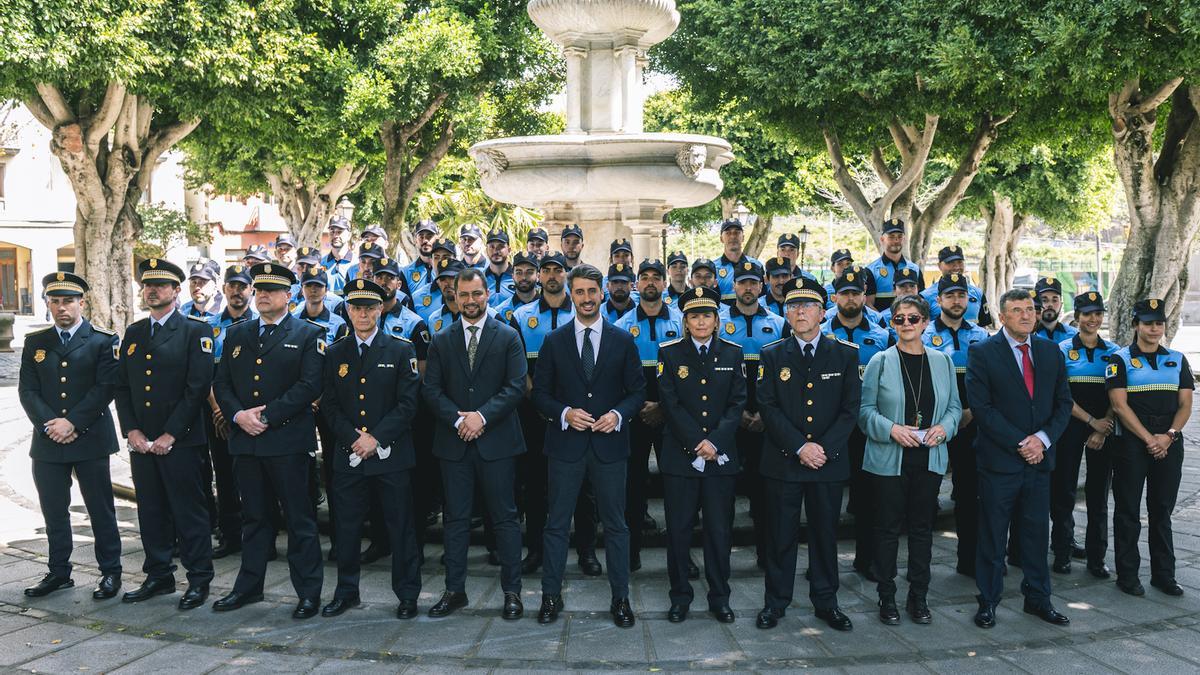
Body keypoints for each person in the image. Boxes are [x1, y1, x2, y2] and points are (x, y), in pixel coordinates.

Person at [532, 263, 646, 627]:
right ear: (571, 293)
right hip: (565, 447)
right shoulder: (553, 341)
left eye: (591, 292)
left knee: (616, 526)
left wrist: (618, 414)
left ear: (602, 293)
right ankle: (550, 596)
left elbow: (637, 391)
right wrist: (564, 413)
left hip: (610, 447)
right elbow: (541, 395)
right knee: (556, 525)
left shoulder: (624, 340)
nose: (585, 298)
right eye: (578, 292)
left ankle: (621, 599)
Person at [212, 262, 326, 619]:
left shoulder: (308, 334)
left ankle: (308, 593)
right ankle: (248, 587)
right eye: (259, 289)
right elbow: (222, 383)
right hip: (247, 441)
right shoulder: (237, 334)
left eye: (271, 290)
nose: (262, 295)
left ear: (288, 296)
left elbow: (310, 385)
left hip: (288, 442)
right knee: (254, 519)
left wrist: (266, 415)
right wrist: (238, 415)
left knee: (299, 520)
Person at [755, 277, 861, 632]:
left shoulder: (845, 354)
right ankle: (776, 602)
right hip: (784, 461)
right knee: (780, 536)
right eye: (793, 306)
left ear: (822, 312)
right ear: (786, 313)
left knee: (824, 536)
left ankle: (826, 602)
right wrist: (800, 446)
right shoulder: (772, 355)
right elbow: (767, 408)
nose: (800, 312)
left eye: (807, 305)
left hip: (826, 464)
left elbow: (850, 410)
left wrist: (823, 449)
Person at [422, 268, 528, 619]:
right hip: (454, 443)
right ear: (454, 295)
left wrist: (480, 417)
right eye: (463, 295)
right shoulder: (441, 339)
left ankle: (512, 591)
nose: (470, 301)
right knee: (455, 519)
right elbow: (431, 390)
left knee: (505, 519)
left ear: (487, 295)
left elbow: (515, 387)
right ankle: (455, 591)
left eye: (476, 294)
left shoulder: (509, 336)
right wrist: (458, 419)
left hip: (496, 441)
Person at [966, 289, 1073, 629]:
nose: (1027, 315)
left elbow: (1064, 404)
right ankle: (988, 601)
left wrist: (1041, 440)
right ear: (1002, 316)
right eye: (1018, 310)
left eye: (1031, 309)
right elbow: (982, 409)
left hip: (1038, 461)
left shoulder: (1050, 351)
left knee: (1036, 535)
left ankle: (1038, 599)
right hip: (1000, 462)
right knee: (994, 537)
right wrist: (1020, 442)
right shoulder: (982, 353)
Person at [113, 258, 216, 609]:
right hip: (143, 442)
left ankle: (199, 579)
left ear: (175, 291)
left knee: (189, 513)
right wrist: (132, 430)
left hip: (181, 441)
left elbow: (197, 387)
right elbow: (123, 387)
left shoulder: (195, 331)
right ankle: (158, 574)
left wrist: (171, 434)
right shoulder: (135, 332)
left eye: (160, 285)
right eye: (147, 285)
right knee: (151, 511)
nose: (152, 290)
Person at [319, 279, 423, 619]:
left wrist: (375, 438)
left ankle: (407, 594)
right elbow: (330, 406)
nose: (363, 313)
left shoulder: (400, 349)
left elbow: (409, 405)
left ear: (381, 310)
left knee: (400, 527)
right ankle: (346, 592)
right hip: (349, 455)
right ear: (347, 310)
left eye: (370, 307)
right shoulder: (335, 353)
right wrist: (354, 438)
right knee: (346, 528)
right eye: (356, 307)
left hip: (390, 455)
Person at [19, 272, 122, 600]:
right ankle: (59, 571)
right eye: (55, 301)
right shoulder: (36, 343)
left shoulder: (103, 340)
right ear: (48, 304)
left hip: (90, 439)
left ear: (82, 302)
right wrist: (51, 423)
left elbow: (105, 388)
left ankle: (110, 572)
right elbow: (28, 391)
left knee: (100, 509)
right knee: (53, 510)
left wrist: (72, 423)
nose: (61, 308)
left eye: (68, 301)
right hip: (48, 441)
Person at [859, 294, 960, 625]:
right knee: (886, 531)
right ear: (891, 324)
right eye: (898, 319)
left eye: (912, 318)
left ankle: (919, 596)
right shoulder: (880, 361)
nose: (906, 324)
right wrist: (890, 429)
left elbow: (955, 409)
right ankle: (886, 596)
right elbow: (864, 413)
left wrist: (944, 429)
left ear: (925, 322)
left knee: (921, 530)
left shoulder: (943, 362)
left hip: (929, 458)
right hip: (889, 459)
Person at [656, 286, 747, 623]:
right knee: (678, 531)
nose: (701, 320)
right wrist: (698, 442)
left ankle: (719, 597)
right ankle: (680, 595)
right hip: (681, 457)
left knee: (719, 531)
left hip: (720, 459)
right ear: (685, 320)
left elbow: (738, 403)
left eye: (706, 314)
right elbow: (670, 404)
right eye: (694, 315)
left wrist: (715, 442)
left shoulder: (732, 353)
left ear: (716, 318)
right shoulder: (669, 353)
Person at [510, 252, 596, 576]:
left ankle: (587, 552)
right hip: (535, 412)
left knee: (584, 486)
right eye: (544, 270)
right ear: (538, 276)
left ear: (567, 275)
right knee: (535, 485)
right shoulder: (522, 315)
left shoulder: (584, 311)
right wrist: (539, 399)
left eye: (556, 270)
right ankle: (536, 550)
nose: (550, 275)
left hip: (579, 413)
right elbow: (518, 366)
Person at [1106, 298, 1192, 597]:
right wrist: (1148, 439)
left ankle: (1163, 574)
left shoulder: (1178, 359)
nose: (1154, 328)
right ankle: (1127, 574)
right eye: (1147, 323)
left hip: (1168, 442)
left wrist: (1168, 435)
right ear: (1135, 325)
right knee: (1128, 510)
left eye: (1159, 322)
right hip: (1132, 442)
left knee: (1162, 510)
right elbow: (1118, 405)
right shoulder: (1119, 359)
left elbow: (1185, 405)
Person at [822, 269, 893, 581]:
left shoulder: (881, 334)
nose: (850, 298)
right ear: (834, 297)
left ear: (865, 296)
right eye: (844, 293)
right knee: (825, 500)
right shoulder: (819, 331)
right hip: (829, 426)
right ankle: (822, 564)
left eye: (856, 293)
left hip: (867, 427)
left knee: (869, 498)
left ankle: (867, 560)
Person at [614, 259, 684, 571]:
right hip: (635, 416)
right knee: (632, 486)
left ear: (665, 281)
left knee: (676, 487)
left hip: (673, 417)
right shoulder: (621, 326)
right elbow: (618, 376)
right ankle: (630, 553)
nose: (651, 282)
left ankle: (679, 556)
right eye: (645, 277)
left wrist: (663, 408)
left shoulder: (681, 321)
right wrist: (641, 406)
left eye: (657, 276)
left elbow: (688, 375)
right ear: (636, 284)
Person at [922, 273, 989, 576]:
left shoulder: (982, 336)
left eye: (961, 295)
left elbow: (990, 382)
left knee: (968, 493)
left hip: (970, 422)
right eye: (949, 295)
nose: (956, 300)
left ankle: (968, 560)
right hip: (934, 423)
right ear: (938, 301)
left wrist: (970, 411)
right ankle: (919, 565)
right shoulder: (922, 335)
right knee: (924, 495)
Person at [722, 261, 785, 569]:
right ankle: (721, 556)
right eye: (742, 282)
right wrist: (734, 415)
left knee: (763, 494)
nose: (748, 288)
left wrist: (763, 414)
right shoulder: (718, 321)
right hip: (727, 421)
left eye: (753, 283)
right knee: (724, 493)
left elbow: (781, 377)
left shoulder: (778, 322)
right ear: (733, 286)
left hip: (764, 421)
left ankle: (765, 555)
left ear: (762, 286)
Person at [1051, 291, 1119, 577]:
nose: (1093, 319)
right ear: (1076, 317)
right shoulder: (1062, 349)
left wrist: (1103, 426)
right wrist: (1091, 421)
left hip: (1104, 428)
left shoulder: (1114, 351)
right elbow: (1061, 395)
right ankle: (1063, 552)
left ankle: (1096, 558)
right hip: (1071, 426)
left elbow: (1118, 395)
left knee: (1098, 494)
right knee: (1063, 491)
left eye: (1098, 313)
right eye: (1087, 314)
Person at [206, 264, 257, 559]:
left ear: (251, 290)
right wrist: (219, 410)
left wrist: (239, 411)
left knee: (255, 478)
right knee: (224, 475)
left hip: (251, 411)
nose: (237, 291)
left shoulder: (260, 324)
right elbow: (206, 374)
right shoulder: (210, 326)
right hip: (218, 414)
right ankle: (230, 535)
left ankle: (259, 534)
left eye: (242, 286)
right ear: (224, 289)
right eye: (232, 285)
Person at [920, 246, 992, 327]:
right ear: (939, 266)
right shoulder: (925, 296)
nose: (956, 267)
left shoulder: (978, 293)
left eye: (959, 262)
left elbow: (983, 327)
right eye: (950, 263)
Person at [864, 219, 923, 312]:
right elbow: (868, 303)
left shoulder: (914, 269)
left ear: (904, 239)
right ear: (882, 239)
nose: (896, 240)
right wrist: (884, 321)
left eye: (900, 237)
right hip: (882, 324)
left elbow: (921, 300)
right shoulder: (871, 270)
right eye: (891, 237)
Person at [713, 219, 762, 304]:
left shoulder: (756, 265)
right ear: (721, 239)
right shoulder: (713, 267)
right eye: (728, 233)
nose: (732, 236)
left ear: (743, 237)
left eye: (737, 232)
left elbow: (763, 296)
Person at [494, 252, 539, 324]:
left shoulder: (549, 309)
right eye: (519, 272)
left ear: (538, 276)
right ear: (512, 276)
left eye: (529, 272)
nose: (524, 277)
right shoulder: (500, 311)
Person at [1033, 276, 1078, 342]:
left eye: (1054, 300)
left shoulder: (1074, 335)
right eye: (1044, 300)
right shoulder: (1027, 335)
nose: (1050, 305)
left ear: (1061, 304)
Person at [401, 219, 439, 296]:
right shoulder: (406, 272)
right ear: (415, 240)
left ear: (437, 238)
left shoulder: (446, 268)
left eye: (429, 236)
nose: (425, 240)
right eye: (421, 237)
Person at [321, 216, 356, 294]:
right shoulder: (321, 263)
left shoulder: (356, 263)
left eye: (339, 232)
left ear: (349, 235)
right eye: (332, 232)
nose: (335, 236)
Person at [484, 229, 515, 307]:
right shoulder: (480, 278)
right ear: (486, 250)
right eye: (492, 247)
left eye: (500, 246)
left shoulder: (518, 277)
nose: (496, 251)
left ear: (509, 250)